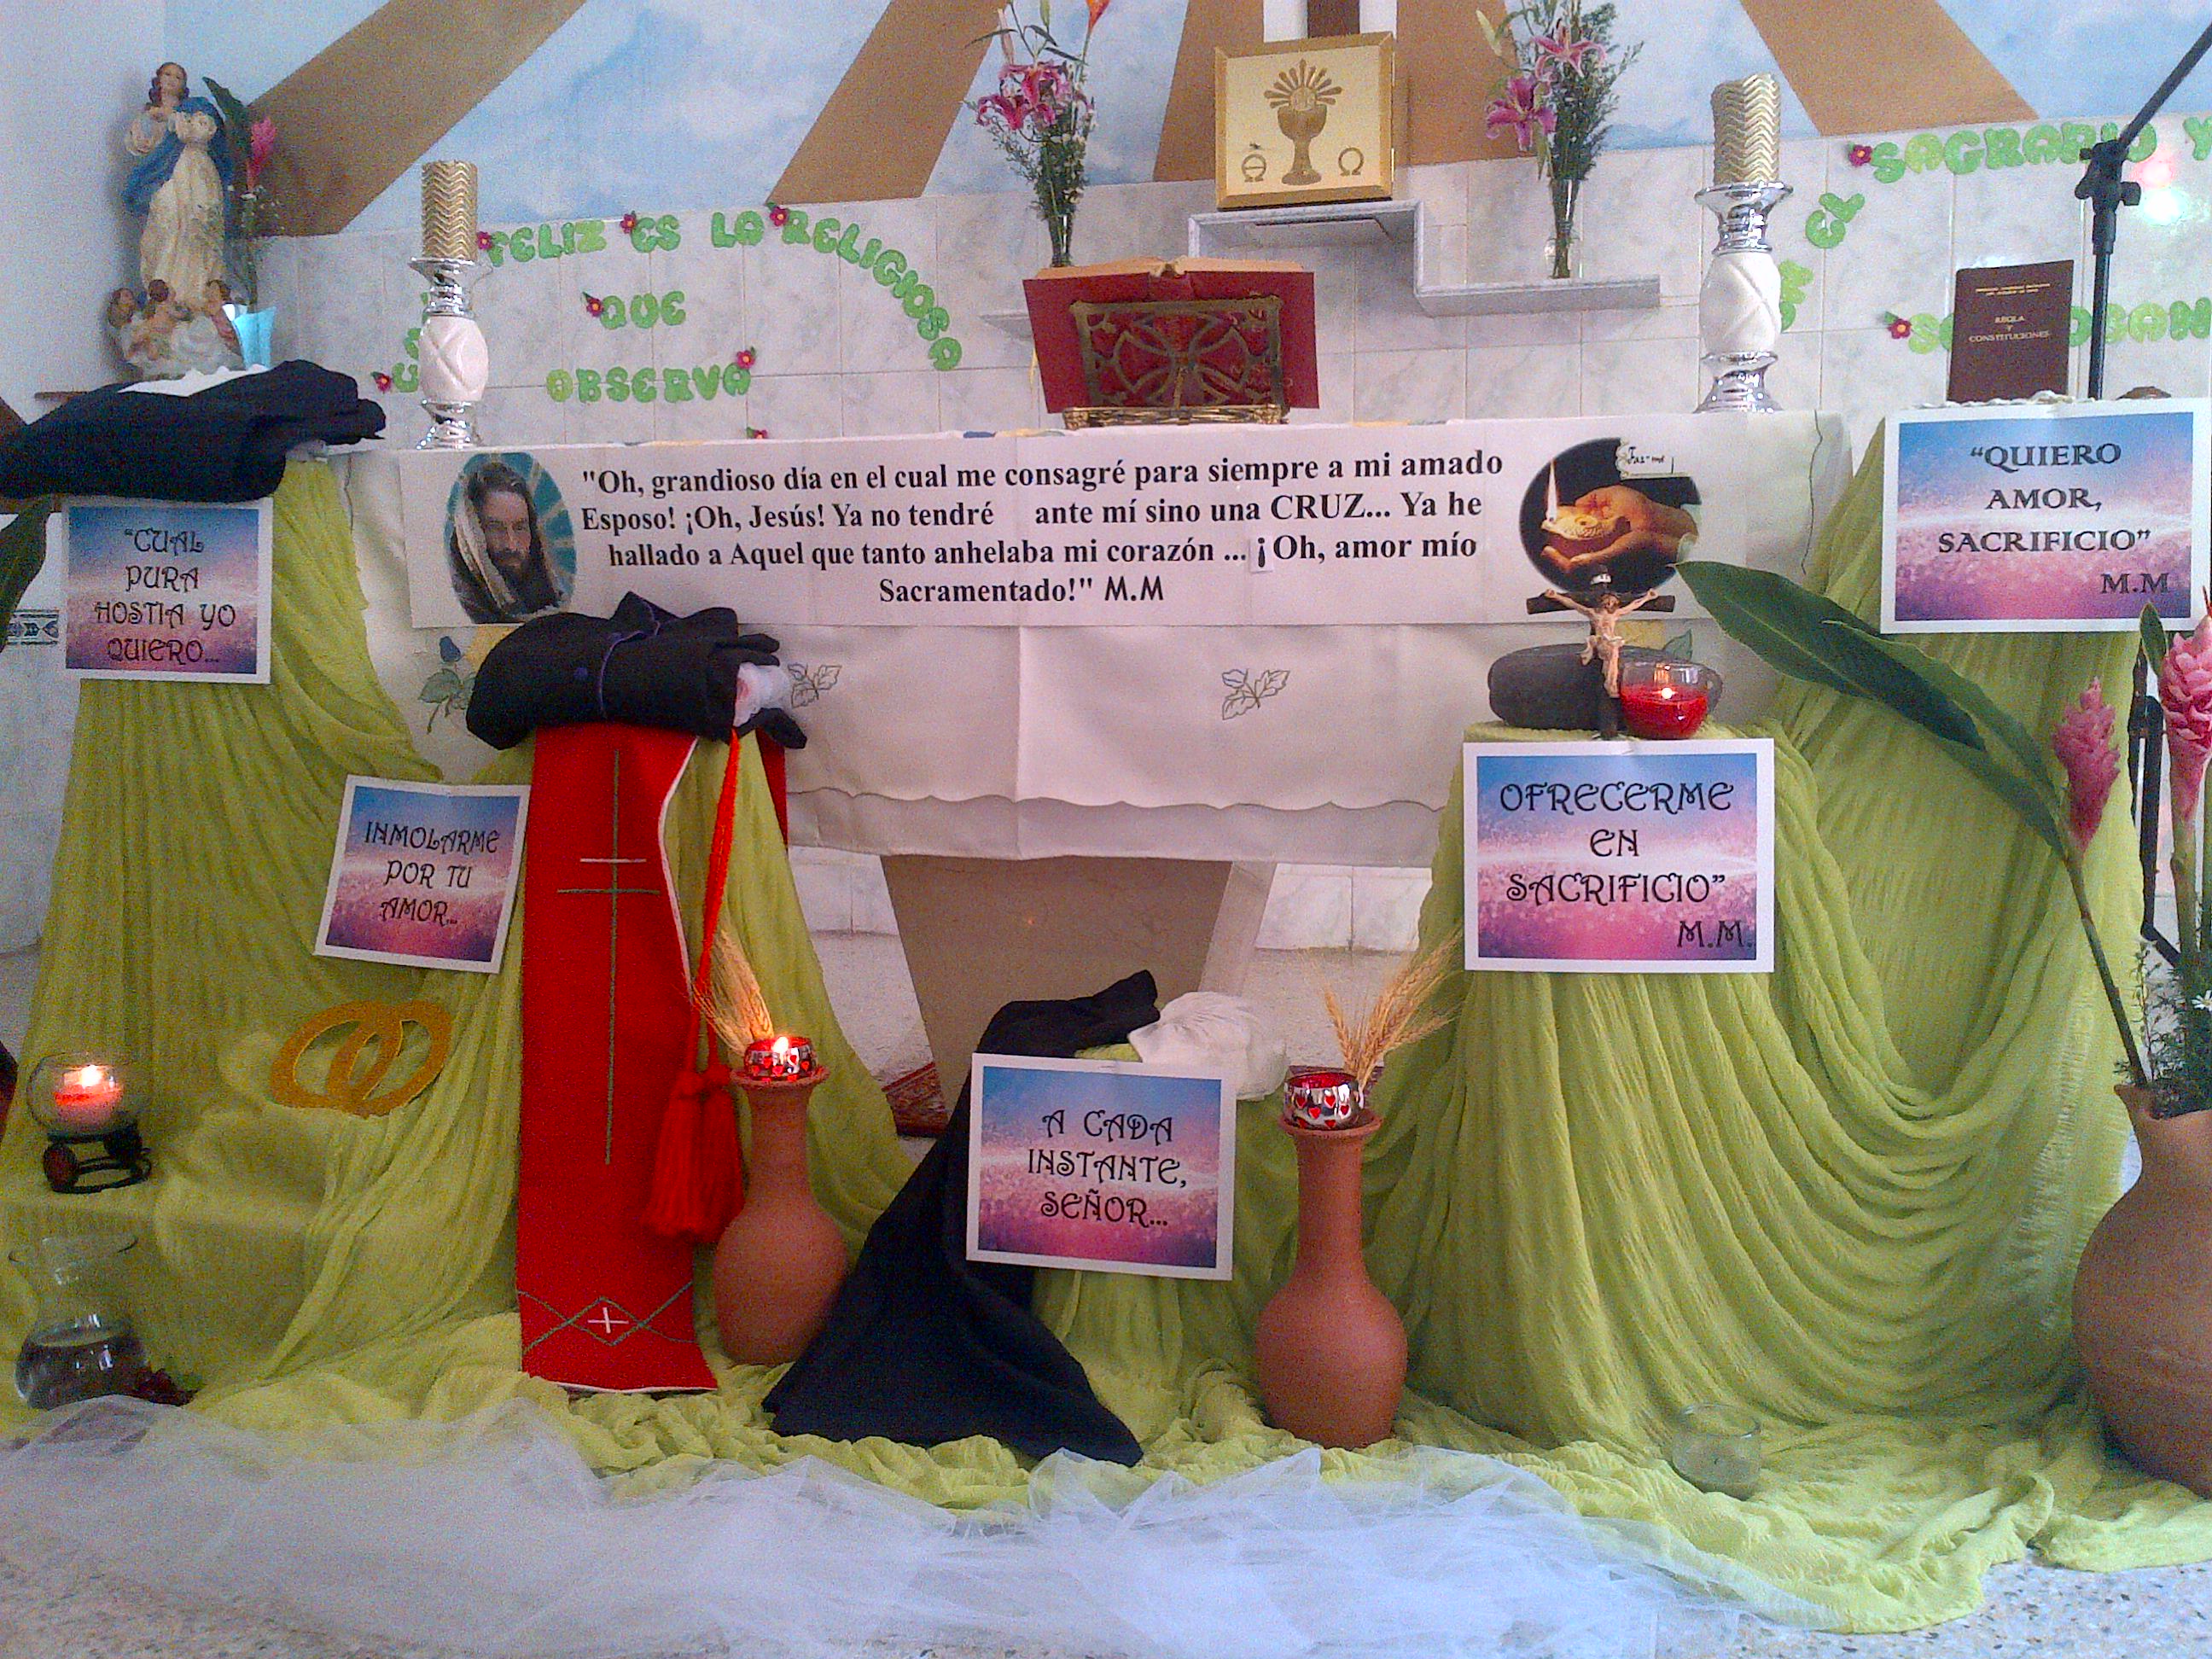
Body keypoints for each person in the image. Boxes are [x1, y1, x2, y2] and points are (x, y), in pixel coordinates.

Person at [122, 76, 231, 320]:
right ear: (158, 81)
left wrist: (172, 117)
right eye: (167, 75)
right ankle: (162, 296)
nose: (171, 80)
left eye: (177, 76)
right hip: (166, 178)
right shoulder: (150, 116)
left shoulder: (196, 108)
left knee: (196, 228)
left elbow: (202, 131)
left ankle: (198, 295)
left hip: (195, 175)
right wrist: (151, 119)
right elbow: (141, 146)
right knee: (166, 229)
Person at [447, 459, 564, 622]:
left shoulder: (553, 601)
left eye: (520, 528)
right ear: (471, 534)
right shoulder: (456, 607)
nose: (512, 545)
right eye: (495, 528)